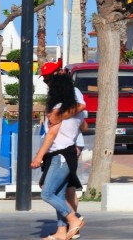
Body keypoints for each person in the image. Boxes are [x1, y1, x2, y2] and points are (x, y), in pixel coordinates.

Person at [32, 71, 86, 240]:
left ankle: (73, 219)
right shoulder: (73, 110)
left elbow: (51, 134)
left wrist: (38, 156)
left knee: (47, 193)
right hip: (67, 153)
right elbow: (84, 127)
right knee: (59, 194)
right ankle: (61, 232)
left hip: (60, 155)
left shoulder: (58, 109)